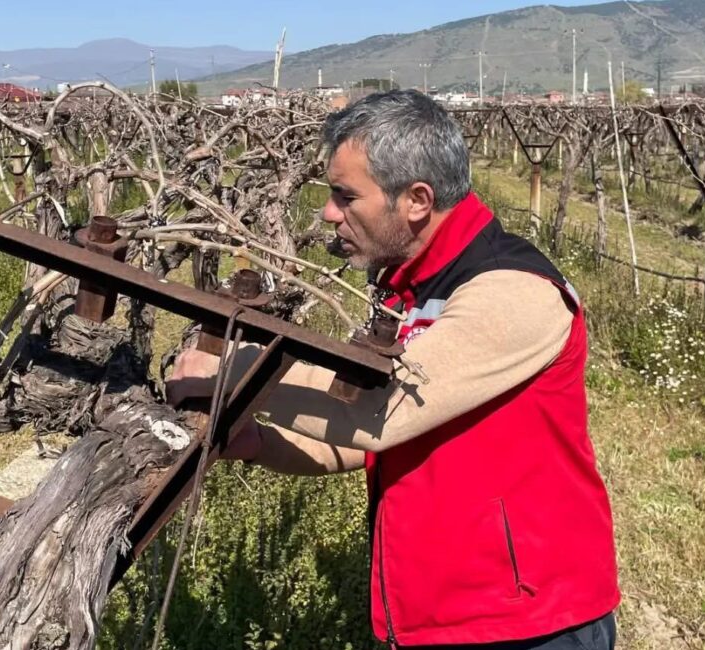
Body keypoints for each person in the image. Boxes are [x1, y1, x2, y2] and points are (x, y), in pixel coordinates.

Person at [166, 89, 619, 650]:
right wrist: (259, 442)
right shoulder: (411, 285)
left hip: (526, 622)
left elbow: (387, 415)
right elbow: (365, 442)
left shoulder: (515, 292)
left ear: (417, 200)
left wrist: (237, 372)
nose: (329, 212)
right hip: (434, 613)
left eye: (345, 195)